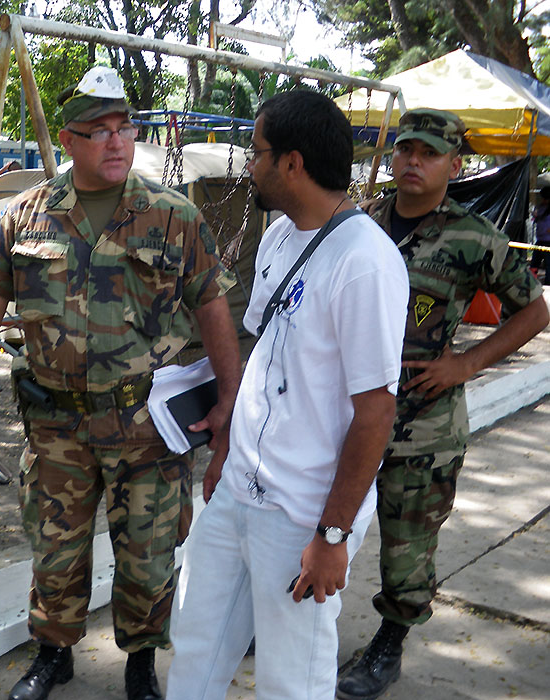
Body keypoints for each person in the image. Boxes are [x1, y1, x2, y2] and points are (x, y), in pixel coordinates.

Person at [0, 65, 242, 700]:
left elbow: (213, 308)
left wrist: (230, 401)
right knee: (55, 549)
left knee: (149, 552)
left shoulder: (174, 217)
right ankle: (53, 654)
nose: (117, 141)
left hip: (147, 426)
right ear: (69, 139)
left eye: (125, 127)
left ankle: (141, 663)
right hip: (56, 424)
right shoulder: (22, 216)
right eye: (100, 130)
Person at [165, 90, 410, 700]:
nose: (249, 165)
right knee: (196, 641)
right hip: (239, 492)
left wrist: (332, 536)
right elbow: (262, 353)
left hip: (304, 513)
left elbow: (376, 411)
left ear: (292, 163)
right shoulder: (278, 237)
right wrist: (227, 446)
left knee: (289, 678)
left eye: (257, 152)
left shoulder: (365, 262)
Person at [336, 109, 549, 700]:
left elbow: (534, 310)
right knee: (315, 519)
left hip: (421, 427)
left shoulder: (473, 237)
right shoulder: (358, 221)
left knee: (407, 548)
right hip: (345, 415)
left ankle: (388, 647)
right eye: (406, 148)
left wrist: (467, 364)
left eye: (429, 153)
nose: (413, 161)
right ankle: (291, 617)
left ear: (455, 166)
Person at [531, 185, 550, 284]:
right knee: (534, 263)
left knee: (548, 265)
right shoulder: (540, 207)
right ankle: (531, 282)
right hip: (539, 240)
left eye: (545, 198)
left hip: (548, 241)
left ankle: (548, 285)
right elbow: (535, 218)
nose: (543, 200)